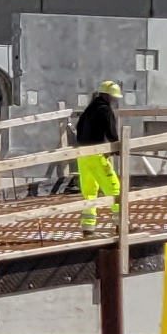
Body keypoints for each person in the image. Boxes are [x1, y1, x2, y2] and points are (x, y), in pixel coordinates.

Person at [69, 78, 125, 230]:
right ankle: (121, 224)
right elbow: (111, 132)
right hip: (96, 154)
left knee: (89, 191)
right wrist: (117, 148)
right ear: (109, 96)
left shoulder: (89, 109)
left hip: (82, 155)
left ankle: (88, 227)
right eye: (114, 98)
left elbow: (79, 130)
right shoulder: (105, 110)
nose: (114, 101)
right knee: (114, 188)